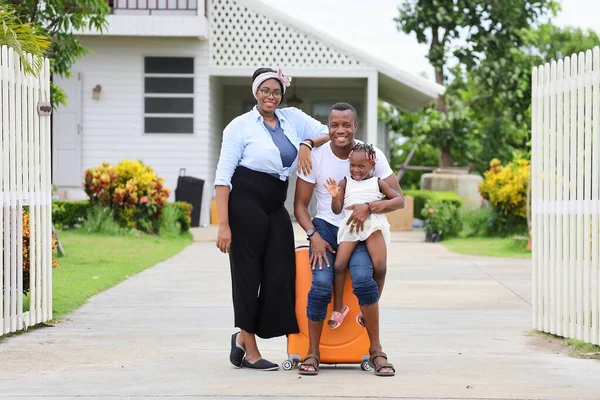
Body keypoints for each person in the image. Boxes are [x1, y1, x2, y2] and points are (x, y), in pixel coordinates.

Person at [214, 67, 329, 371]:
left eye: (276, 91)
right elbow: (223, 178)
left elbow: (329, 131)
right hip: (244, 202)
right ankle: (250, 348)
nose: (271, 96)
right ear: (255, 92)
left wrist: (307, 143)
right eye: (265, 90)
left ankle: (242, 337)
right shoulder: (238, 127)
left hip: (276, 204)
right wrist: (223, 224)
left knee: (281, 273)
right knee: (247, 275)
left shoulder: (292, 117)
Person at [294, 102, 404, 377]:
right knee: (320, 285)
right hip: (325, 230)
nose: (340, 130)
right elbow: (299, 205)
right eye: (334, 125)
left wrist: (370, 207)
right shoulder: (315, 156)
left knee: (365, 279)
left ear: (355, 127)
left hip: (360, 230)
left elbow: (397, 197)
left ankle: (376, 350)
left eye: (346, 125)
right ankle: (313, 352)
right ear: (327, 128)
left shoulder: (371, 155)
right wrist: (313, 235)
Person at [325, 142, 403, 330]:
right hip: (351, 225)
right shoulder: (345, 182)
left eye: (361, 166)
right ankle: (339, 308)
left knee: (380, 266)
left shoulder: (378, 182)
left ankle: (369, 307)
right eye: (352, 165)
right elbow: (336, 211)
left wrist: (376, 205)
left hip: (373, 225)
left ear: (372, 166)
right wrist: (335, 196)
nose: (356, 170)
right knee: (339, 264)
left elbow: (399, 200)